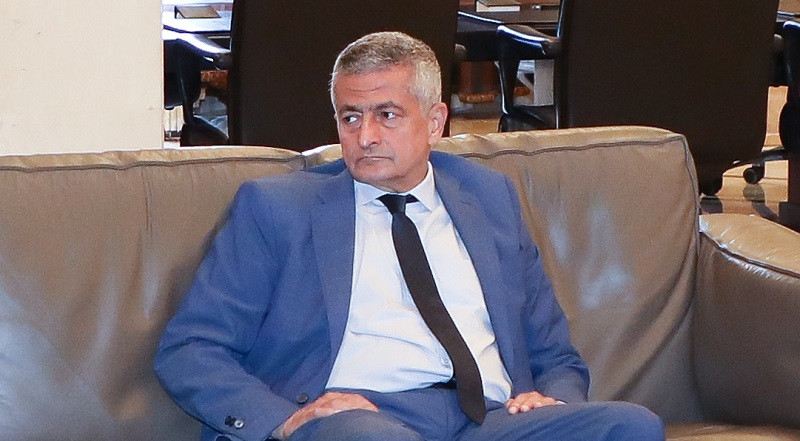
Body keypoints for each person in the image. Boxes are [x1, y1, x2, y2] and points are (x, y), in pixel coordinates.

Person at [154, 31, 665, 441]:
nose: (365, 136)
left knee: (630, 426)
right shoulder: (277, 209)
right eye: (350, 117)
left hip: (489, 417)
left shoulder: (489, 199)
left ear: (436, 121)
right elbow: (191, 349)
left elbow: (553, 352)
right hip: (363, 418)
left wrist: (553, 398)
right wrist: (285, 421)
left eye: (387, 115)